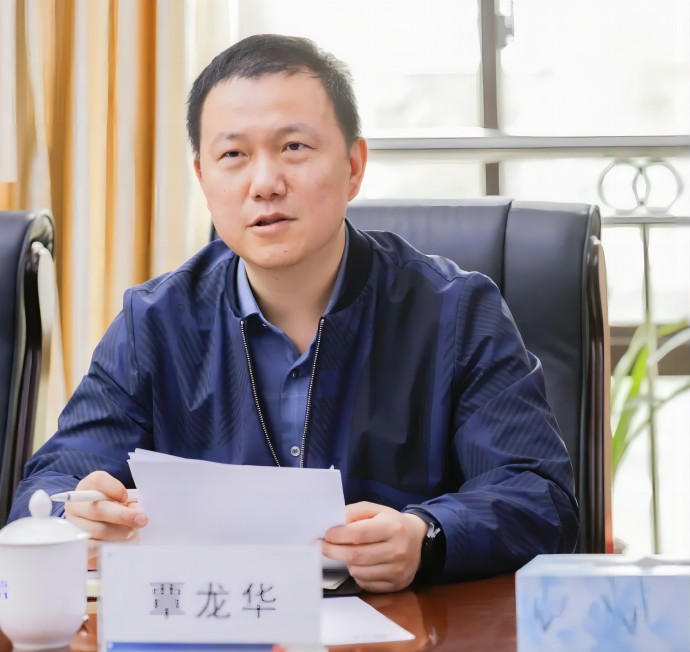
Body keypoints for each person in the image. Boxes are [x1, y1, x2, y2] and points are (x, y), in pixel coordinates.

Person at [9, 34, 579, 593]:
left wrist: (427, 535)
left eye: (294, 147)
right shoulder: (154, 323)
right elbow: (47, 489)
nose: (265, 183)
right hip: (216, 625)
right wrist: (74, 516)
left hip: (405, 628)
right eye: (233, 155)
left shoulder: (456, 312)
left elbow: (540, 498)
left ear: (354, 165)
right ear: (203, 178)